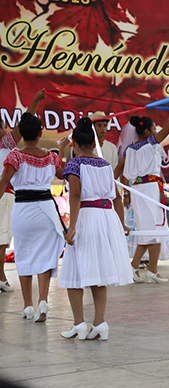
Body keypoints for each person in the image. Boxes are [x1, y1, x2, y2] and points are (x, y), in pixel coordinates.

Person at [59, 117, 132, 341]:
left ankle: (79, 323)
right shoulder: (106, 165)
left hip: (87, 217)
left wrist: (72, 226)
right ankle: (100, 322)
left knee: (75, 271)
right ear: (93, 142)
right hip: (106, 218)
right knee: (98, 272)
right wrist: (121, 224)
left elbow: (76, 195)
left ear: (75, 144)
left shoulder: (74, 164)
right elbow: (117, 198)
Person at [0, 91, 65, 322]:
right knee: (46, 256)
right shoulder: (51, 157)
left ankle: (28, 305)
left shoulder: (15, 157)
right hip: (46, 210)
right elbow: (63, 174)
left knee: (25, 255)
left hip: (24, 211)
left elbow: (3, 183)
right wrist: (64, 150)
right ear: (40, 134)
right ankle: (43, 300)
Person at [114, 96, 169, 284]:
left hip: (138, 189)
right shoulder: (149, 143)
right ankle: (151, 270)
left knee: (150, 230)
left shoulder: (130, 149)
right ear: (147, 131)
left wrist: (109, 182)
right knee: (153, 230)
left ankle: (135, 268)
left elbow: (119, 170)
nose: (156, 132)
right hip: (148, 189)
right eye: (154, 129)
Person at [0, 117, 24, 293]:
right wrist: (37, 101)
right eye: (3, 127)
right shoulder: (5, 144)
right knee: (2, 240)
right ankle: (1, 277)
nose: (6, 130)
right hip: (4, 194)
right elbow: (23, 127)